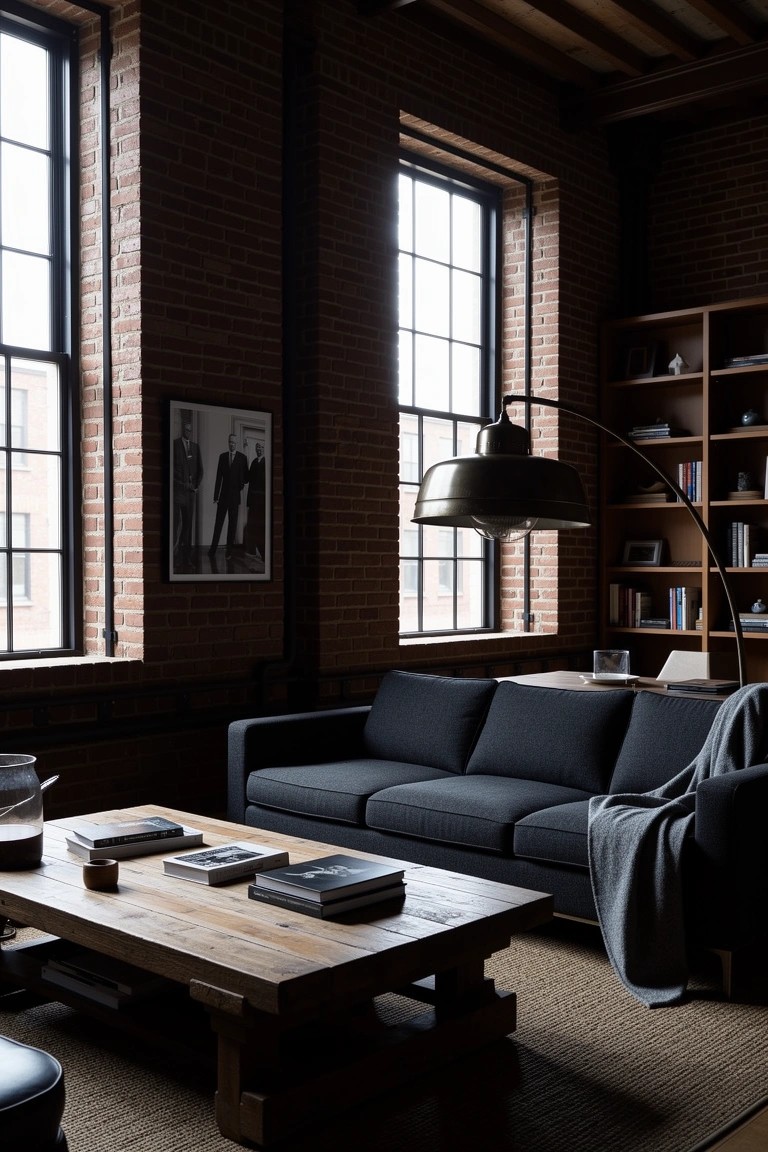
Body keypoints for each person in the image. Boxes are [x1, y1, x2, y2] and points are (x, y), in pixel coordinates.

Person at [208, 433, 249, 558]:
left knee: (232, 526)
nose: (232, 444)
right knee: (218, 524)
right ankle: (212, 550)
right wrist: (216, 496)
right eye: (230, 442)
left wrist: (241, 483)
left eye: (234, 442)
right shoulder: (222, 457)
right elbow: (218, 477)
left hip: (235, 498)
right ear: (228, 442)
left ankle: (229, 551)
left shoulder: (242, 458)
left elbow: (246, 478)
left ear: (237, 443)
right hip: (223, 496)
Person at [172, 418, 203, 567]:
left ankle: (186, 557)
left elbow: (200, 470)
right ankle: (173, 556)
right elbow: (171, 469)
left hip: (191, 494)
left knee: (188, 525)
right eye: (186, 429)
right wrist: (181, 483)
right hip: (178, 492)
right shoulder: (175, 444)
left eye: (190, 430)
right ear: (182, 430)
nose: (188, 432)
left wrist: (195, 486)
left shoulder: (196, 447)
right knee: (175, 523)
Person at [244, 441, 266, 564]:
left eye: (261, 447)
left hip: (262, 501)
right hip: (253, 500)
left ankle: (264, 555)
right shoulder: (253, 462)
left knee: (260, 528)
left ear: (264, 449)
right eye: (257, 447)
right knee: (252, 527)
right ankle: (254, 552)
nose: (259, 449)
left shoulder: (266, 462)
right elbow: (248, 479)